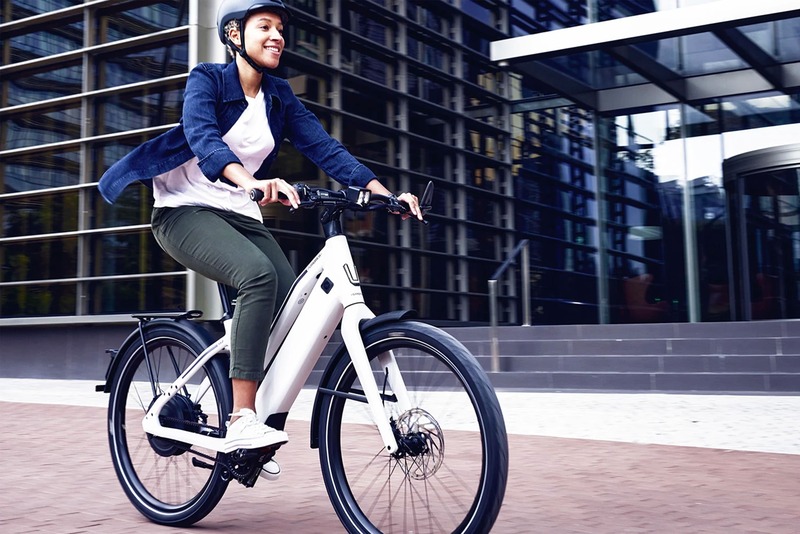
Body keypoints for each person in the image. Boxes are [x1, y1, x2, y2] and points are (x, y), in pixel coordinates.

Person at [98, 0, 422, 479]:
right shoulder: (206, 79)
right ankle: (241, 417)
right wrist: (245, 181)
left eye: (280, 30)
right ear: (234, 36)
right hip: (183, 210)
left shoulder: (278, 95)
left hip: (240, 214)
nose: (277, 36)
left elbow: (323, 146)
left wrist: (381, 192)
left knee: (290, 301)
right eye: (263, 27)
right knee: (256, 276)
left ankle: (256, 417)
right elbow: (204, 136)